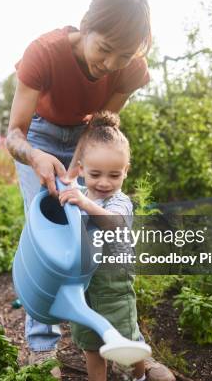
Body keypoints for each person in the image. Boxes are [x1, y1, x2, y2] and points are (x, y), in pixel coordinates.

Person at [6, 0, 175, 381]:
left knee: (92, 236)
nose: (110, 64)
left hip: (86, 138)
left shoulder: (129, 70)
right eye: (105, 49)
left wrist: (81, 162)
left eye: (124, 56)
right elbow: (14, 134)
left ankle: (122, 342)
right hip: (40, 137)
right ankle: (42, 346)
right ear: (86, 26)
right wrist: (37, 156)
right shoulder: (43, 53)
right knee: (44, 233)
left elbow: (100, 121)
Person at [57, 111, 144, 381]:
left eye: (114, 175)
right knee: (91, 347)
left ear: (125, 172)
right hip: (83, 284)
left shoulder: (120, 203)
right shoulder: (79, 195)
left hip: (113, 285)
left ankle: (139, 376)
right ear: (81, 168)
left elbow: (115, 224)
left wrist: (84, 204)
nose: (104, 182)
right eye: (95, 174)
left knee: (126, 337)